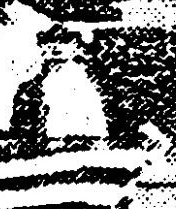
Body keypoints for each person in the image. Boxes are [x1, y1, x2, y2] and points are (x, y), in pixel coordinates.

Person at [10, 23, 108, 156]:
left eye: (63, 42)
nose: (55, 46)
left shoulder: (85, 84)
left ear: (76, 47)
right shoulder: (32, 88)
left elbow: (94, 121)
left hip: (87, 146)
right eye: (49, 43)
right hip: (49, 147)